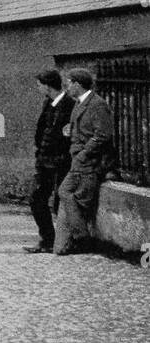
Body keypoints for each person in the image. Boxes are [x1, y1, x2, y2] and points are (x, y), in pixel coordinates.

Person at [53, 68, 117, 255]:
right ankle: (80, 238)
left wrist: (84, 153)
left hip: (90, 162)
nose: (67, 87)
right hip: (78, 161)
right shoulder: (80, 103)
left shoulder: (97, 104)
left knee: (79, 199)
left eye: (69, 83)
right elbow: (84, 128)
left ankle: (81, 240)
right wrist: (70, 130)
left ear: (77, 85)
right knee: (64, 191)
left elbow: (103, 134)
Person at [26, 69, 73, 253]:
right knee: (36, 198)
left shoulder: (69, 104)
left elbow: (67, 135)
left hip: (61, 161)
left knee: (59, 202)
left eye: (39, 84)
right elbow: (42, 130)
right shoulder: (49, 103)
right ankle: (47, 239)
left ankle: (63, 242)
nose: (38, 88)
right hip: (44, 160)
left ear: (47, 85)